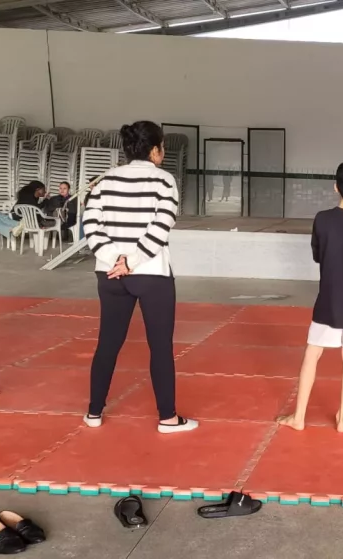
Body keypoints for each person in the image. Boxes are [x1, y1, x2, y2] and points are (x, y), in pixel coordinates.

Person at [82, 121, 197, 434]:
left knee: (107, 343)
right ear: (156, 150)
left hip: (110, 273)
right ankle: (167, 418)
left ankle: (94, 412)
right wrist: (131, 262)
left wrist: (115, 259)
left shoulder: (105, 180)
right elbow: (161, 228)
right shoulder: (164, 180)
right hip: (151, 274)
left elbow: (90, 225)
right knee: (160, 347)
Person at [278, 160, 343, 433]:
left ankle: (299, 417)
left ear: (336, 187)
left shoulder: (322, 219)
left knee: (312, 354)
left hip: (329, 299)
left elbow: (318, 255)